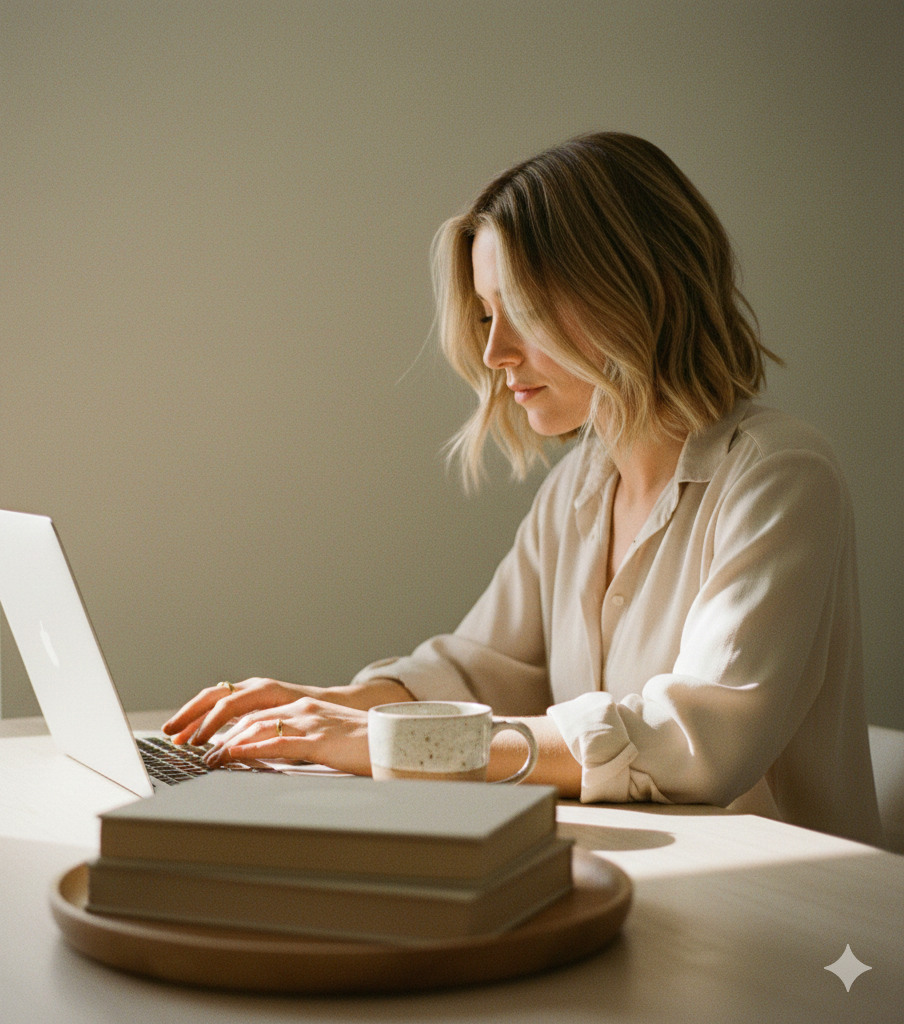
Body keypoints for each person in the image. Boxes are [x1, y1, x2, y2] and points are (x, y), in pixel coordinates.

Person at [163, 132, 881, 845]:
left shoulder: (778, 476)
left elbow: (696, 740)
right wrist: (328, 709)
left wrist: (379, 743)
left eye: (526, 311)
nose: (494, 353)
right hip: (636, 879)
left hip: (790, 910)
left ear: (639, 288)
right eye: (485, 314)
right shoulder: (576, 488)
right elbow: (483, 671)